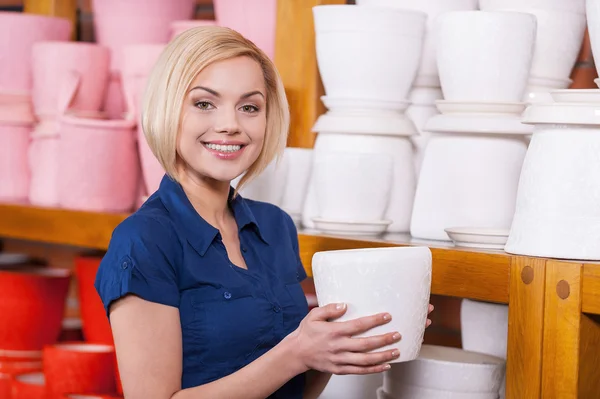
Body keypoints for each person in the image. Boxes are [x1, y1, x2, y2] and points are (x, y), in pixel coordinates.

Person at [95, 26, 433, 399]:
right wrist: (295, 354)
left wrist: (341, 345)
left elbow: (293, 388)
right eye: (204, 103)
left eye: (250, 107)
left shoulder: (275, 227)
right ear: (167, 109)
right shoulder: (143, 241)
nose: (230, 125)